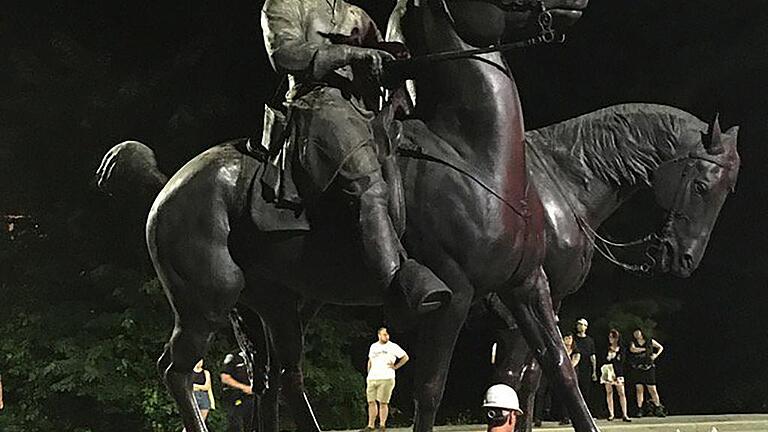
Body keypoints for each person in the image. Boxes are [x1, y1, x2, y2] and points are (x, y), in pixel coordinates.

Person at [261, 0, 452, 315]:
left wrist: (397, 70)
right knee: (367, 184)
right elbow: (284, 55)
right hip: (318, 103)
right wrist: (351, 54)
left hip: (364, 109)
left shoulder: (357, 15)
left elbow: (383, 65)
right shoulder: (285, 3)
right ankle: (398, 282)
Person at [364, 327, 409, 431]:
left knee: (383, 402)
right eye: (384, 334)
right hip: (373, 377)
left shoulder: (393, 346)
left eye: (387, 335)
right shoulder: (373, 346)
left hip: (386, 377)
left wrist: (396, 366)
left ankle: (382, 425)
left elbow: (405, 357)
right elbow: (370, 360)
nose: (386, 337)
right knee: (371, 401)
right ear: (379, 335)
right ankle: (371, 425)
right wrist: (369, 374)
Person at [628, 329, 666, 418]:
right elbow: (633, 349)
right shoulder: (633, 342)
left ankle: (658, 407)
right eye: (635, 333)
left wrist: (656, 355)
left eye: (638, 332)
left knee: (652, 388)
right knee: (639, 389)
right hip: (638, 368)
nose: (636, 334)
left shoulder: (649, 340)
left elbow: (660, 347)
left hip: (648, 367)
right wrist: (645, 349)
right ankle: (640, 409)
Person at [600, 329, 631, 422]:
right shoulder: (606, 348)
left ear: (616, 338)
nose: (610, 339)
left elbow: (622, 361)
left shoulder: (621, 348)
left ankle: (625, 414)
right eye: (609, 337)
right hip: (608, 371)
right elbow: (603, 359)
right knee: (609, 392)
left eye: (612, 337)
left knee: (621, 392)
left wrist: (614, 357)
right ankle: (611, 414)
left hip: (618, 372)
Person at [221, 351, 255, 432]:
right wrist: (244, 388)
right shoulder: (233, 356)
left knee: (252, 424)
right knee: (236, 424)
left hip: (252, 398)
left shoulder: (256, 356)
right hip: (235, 397)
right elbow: (225, 378)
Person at [556, 332, 581, 425]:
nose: (568, 340)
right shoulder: (560, 350)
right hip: (562, 374)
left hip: (572, 374)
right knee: (563, 396)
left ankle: (575, 417)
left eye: (570, 338)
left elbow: (575, 361)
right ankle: (564, 417)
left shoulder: (575, 351)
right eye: (566, 338)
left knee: (574, 395)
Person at [573, 318, 597, 414]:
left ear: (586, 327)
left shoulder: (590, 340)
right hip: (575, 367)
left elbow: (593, 356)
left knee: (586, 391)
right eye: (579, 324)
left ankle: (586, 412)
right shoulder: (573, 339)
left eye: (583, 324)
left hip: (586, 368)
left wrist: (594, 371)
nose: (580, 326)